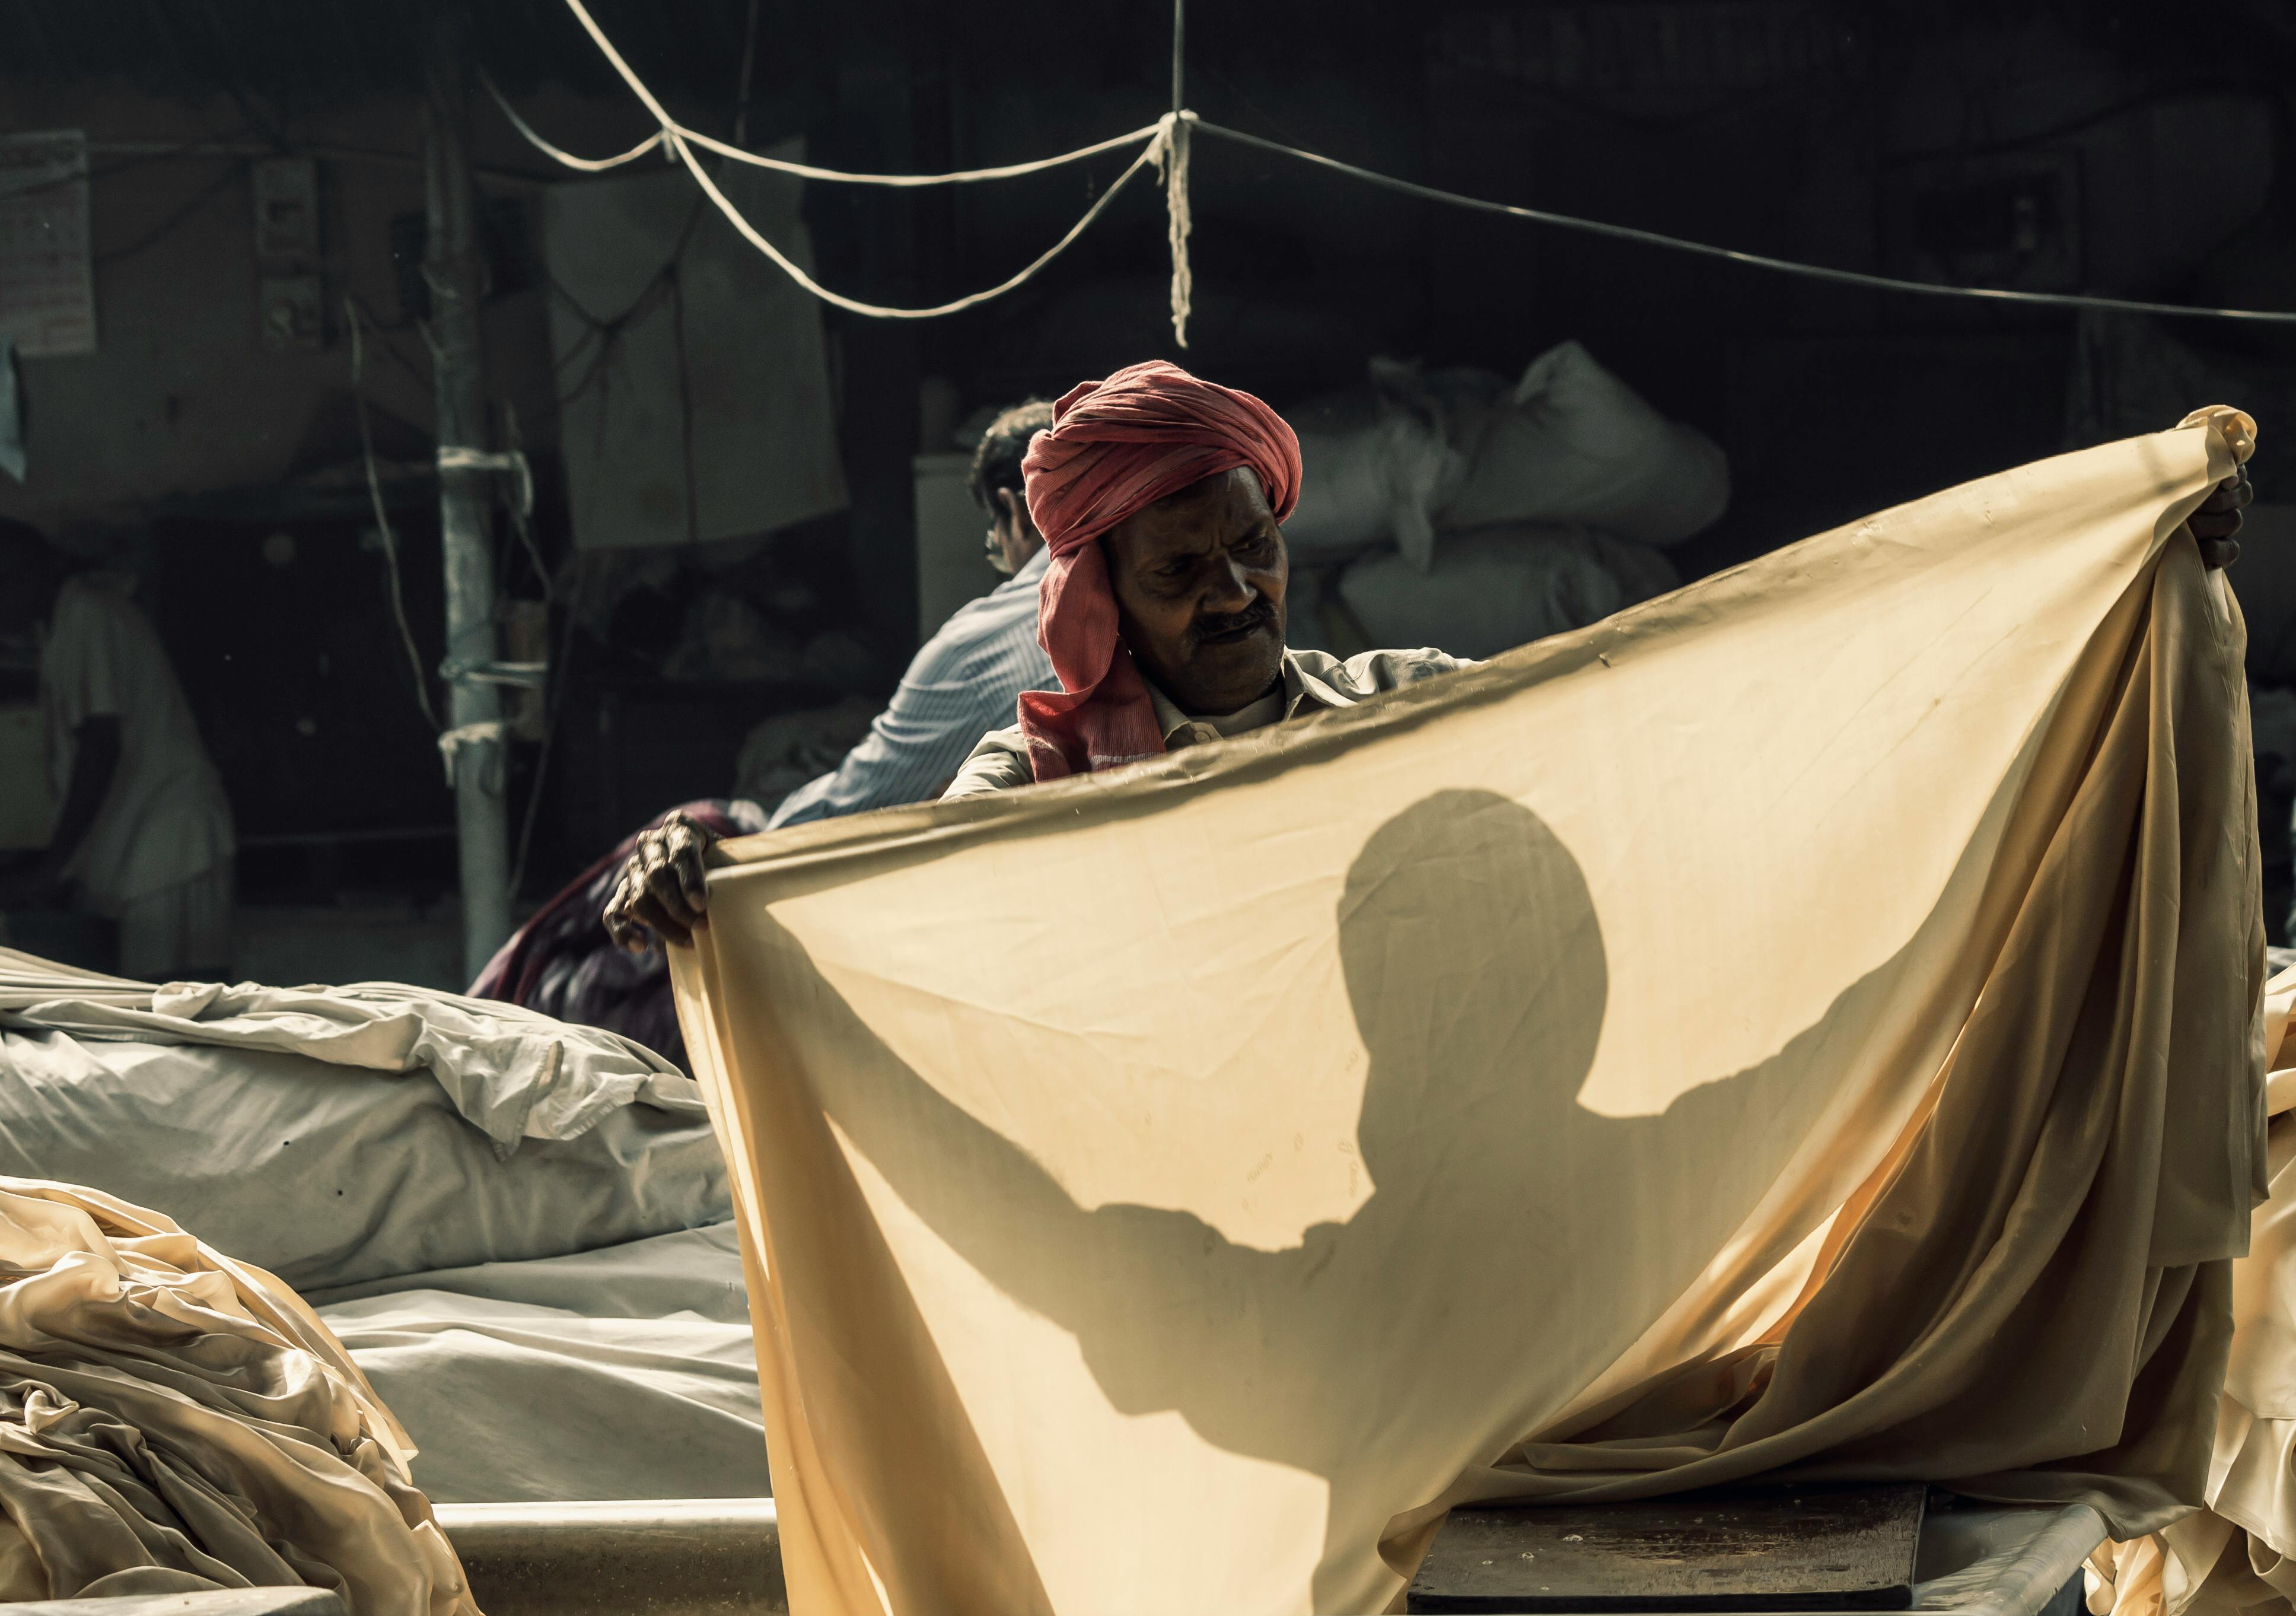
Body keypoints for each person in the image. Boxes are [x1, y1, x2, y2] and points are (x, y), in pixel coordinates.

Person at [603, 361, 2256, 949]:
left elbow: (1681, 724)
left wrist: (2075, 578)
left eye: (1253, 546)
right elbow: (881, 898)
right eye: (1184, 571)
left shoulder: (1393, 710)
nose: (1240, 590)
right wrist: (712, 876)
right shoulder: (1021, 782)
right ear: (1092, 590)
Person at [762, 399, 1061, 827]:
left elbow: (852, 805)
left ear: (1015, 512)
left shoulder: (971, 651)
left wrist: (754, 838)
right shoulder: (1146, 592)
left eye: (997, 547)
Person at [0, 520, 235, 979]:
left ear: (31, 575)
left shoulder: (90, 614)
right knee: (159, 1010)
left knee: (177, 1009)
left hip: (172, 844)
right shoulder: (60, 627)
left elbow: (100, 746)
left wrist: (53, 866)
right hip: (148, 846)